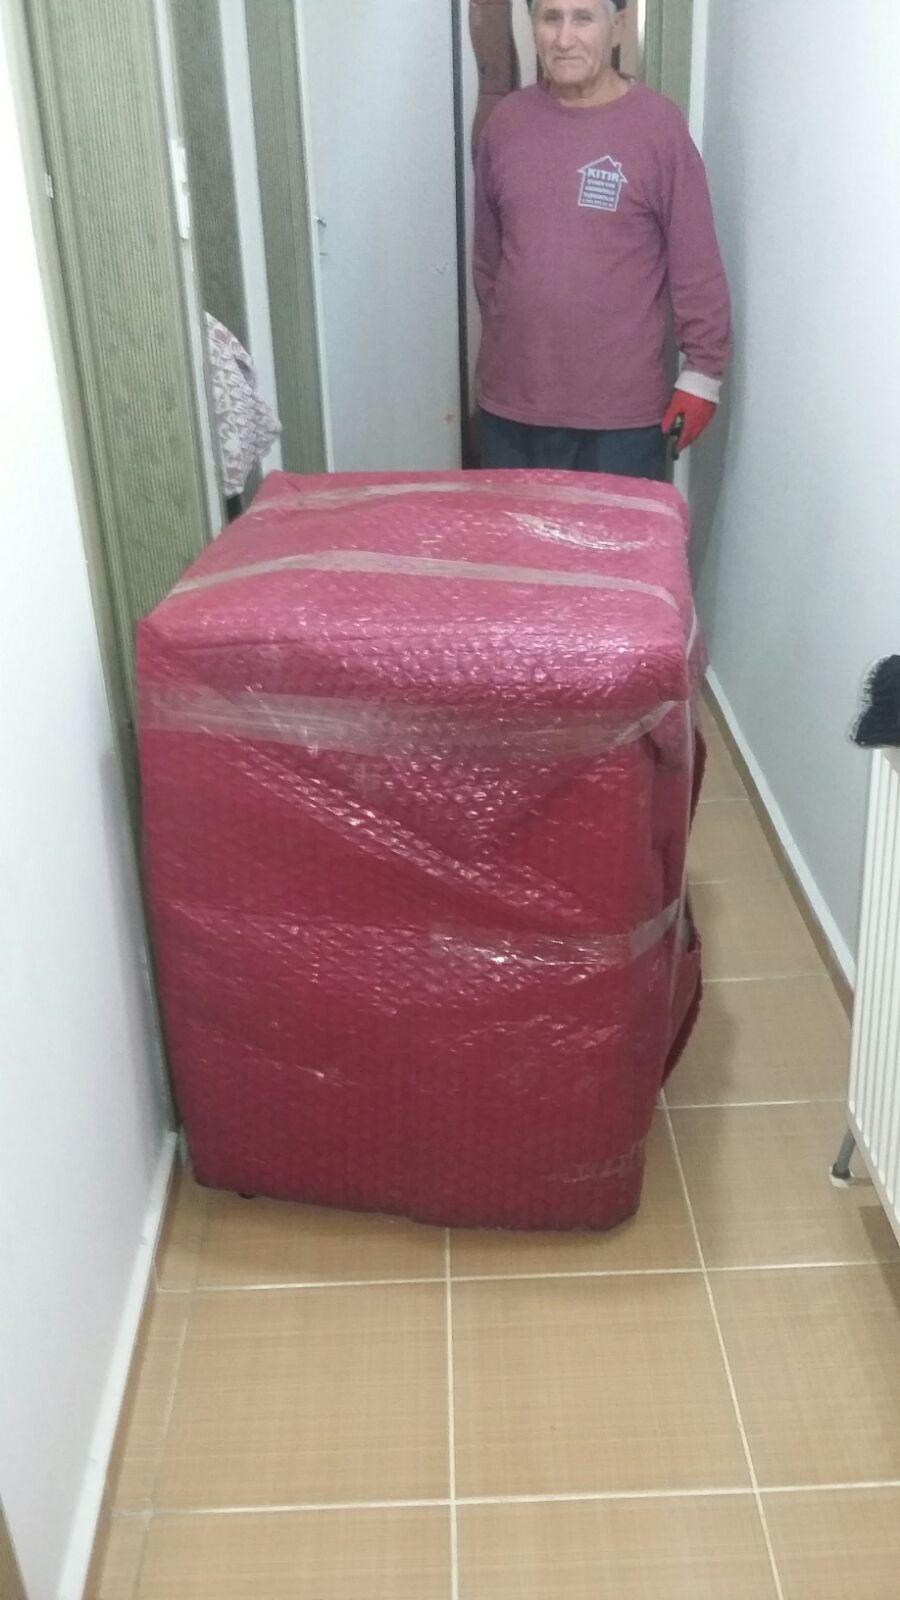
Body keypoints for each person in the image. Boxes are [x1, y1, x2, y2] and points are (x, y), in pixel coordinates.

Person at [473, 0, 731, 480]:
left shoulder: (658, 128)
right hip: (511, 408)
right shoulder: (506, 123)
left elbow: (695, 262)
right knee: (514, 534)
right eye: (551, 18)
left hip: (620, 421)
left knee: (615, 534)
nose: (564, 38)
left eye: (583, 18)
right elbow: (488, 259)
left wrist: (703, 374)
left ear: (616, 27)